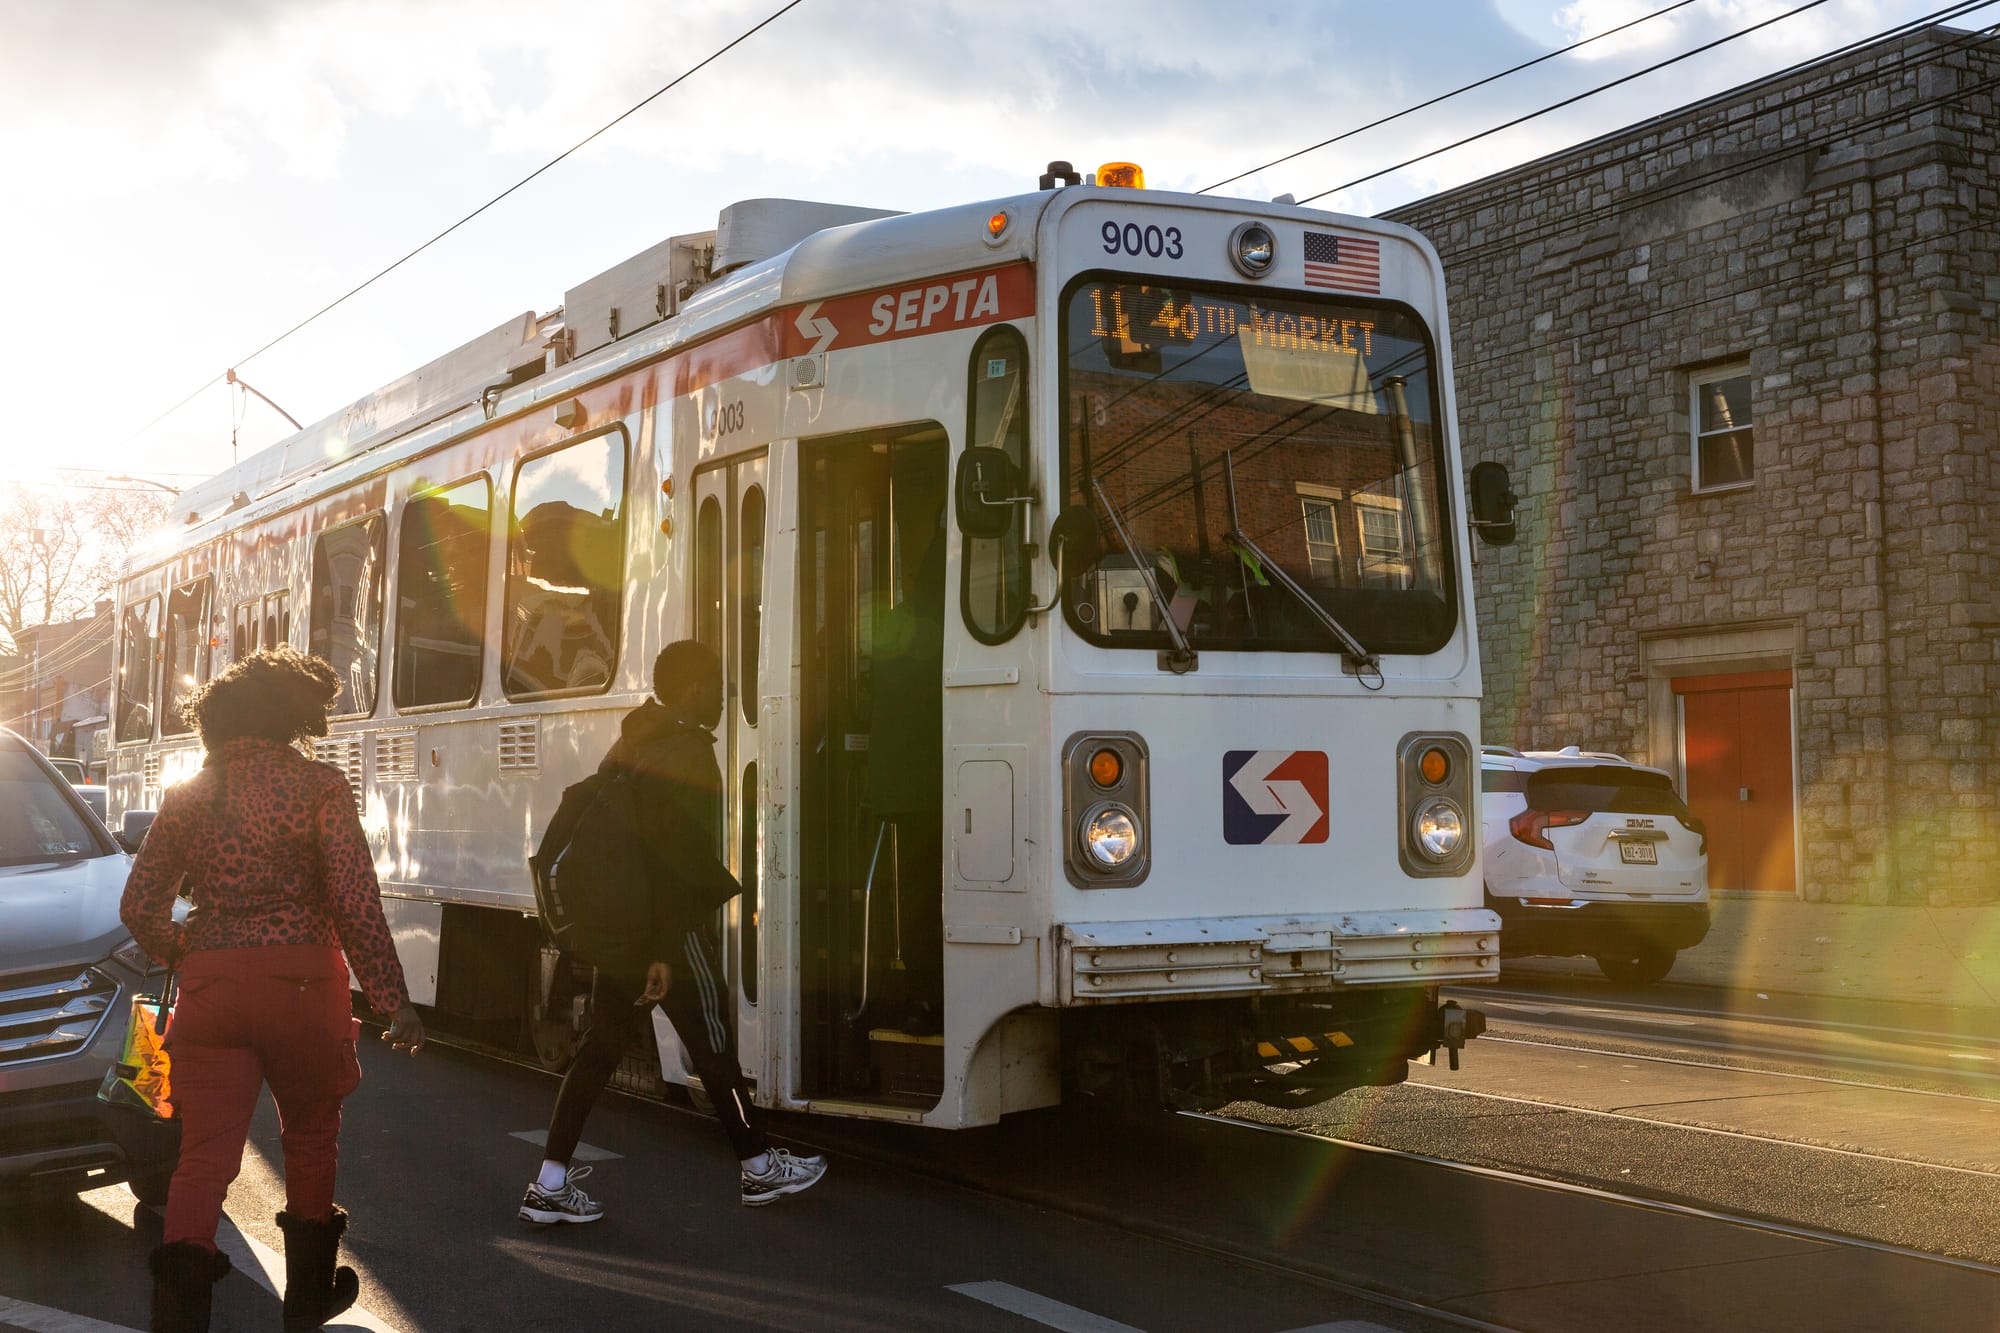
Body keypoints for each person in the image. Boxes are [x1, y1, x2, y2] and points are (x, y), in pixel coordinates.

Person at [120, 647, 425, 1333]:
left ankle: (178, 1322)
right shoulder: (320, 786)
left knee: (202, 1158)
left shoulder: (192, 795)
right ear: (292, 717)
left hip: (215, 987)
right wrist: (390, 995)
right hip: (304, 986)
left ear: (219, 722)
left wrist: (190, 948)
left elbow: (140, 904)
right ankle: (308, 1303)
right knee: (313, 1139)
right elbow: (354, 899)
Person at [520, 641, 826, 1221]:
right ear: (691, 690)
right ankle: (759, 1168)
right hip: (669, 935)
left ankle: (550, 1182)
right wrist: (664, 949)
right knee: (713, 1048)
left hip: (624, 929)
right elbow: (676, 859)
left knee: (597, 1052)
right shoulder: (688, 752)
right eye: (714, 685)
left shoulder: (633, 740)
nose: (720, 696)